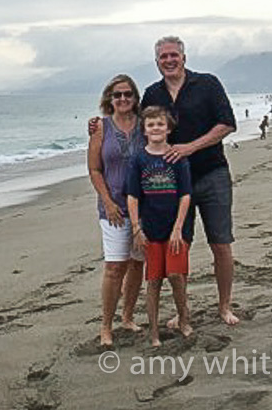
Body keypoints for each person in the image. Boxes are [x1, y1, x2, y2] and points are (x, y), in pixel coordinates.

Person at [89, 36, 240, 326]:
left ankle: (224, 306)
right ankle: (182, 311)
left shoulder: (208, 84)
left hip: (211, 174)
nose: (169, 60)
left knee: (220, 242)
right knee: (177, 245)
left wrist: (190, 147)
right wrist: (99, 124)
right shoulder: (153, 93)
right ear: (157, 62)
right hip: (169, 184)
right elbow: (134, 121)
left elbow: (227, 124)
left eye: (174, 55)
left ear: (184, 57)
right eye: (163, 57)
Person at [126, 106, 193, 346]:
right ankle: (154, 332)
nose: (156, 128)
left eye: (160, 124)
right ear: (144, 130)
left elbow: (185, 195)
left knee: (176, 275)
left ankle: (183, 319)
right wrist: (136, 228)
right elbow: (132, 197)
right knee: (153, 281)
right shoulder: (138, 159)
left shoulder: (177, 158)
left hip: (175, 229)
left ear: (168, 128)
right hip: (150, 231)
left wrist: (178, 228)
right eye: (151, 124)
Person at [87, 74, 146, 347]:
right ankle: (106, 326)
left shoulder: (145, 125)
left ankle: (128, 316)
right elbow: (94, 169)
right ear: (109, 99)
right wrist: (108, 202)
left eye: (127, 94)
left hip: (144, 207)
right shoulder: (101, 127)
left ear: (135, 97)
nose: (123, 99)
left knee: (136, 263)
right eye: (117, 94)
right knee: (114, 267)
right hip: (113, 209)